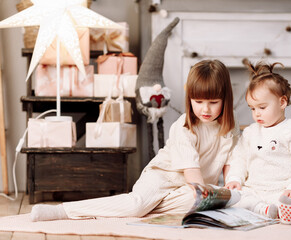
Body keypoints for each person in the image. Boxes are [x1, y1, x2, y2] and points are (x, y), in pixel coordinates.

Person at [31, 59, 238, 221]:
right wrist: (205, 199)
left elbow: (230, 164)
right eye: (198, 101)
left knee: (218, 198)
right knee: (137, 205)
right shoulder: (184, 127)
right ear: (189, 100)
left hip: (188, 191)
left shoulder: (230, 129)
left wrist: (231, 185)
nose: (205, 109)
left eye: (213, 102)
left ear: (225, 100)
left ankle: (150, 207)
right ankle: (64, 211)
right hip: (163, 179)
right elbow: (193, 175)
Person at [225, 61, 291, 225]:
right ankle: (263, 209)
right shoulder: (251, 132)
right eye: (252, 108)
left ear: (282, 103)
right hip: (254, 189)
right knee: (235, 199)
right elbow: (239, 159)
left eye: (262, 107)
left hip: (283, 190)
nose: (256, 114)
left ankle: (290, 213)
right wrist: (235, 179)